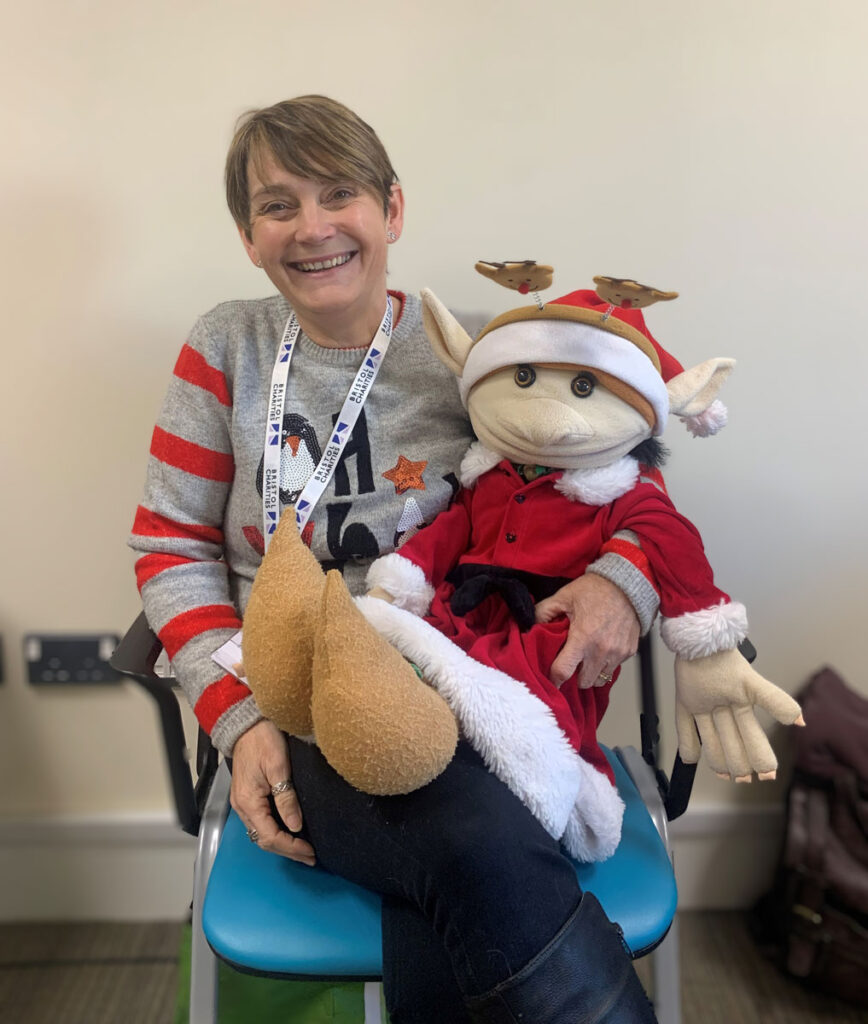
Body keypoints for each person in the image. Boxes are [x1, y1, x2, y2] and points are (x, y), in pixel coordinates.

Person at [130, 94, 658, 1022]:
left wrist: (624, 580)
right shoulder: (226, 347)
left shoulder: (484, 350)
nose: (313, 227)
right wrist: (239, 719)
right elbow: (170, 544)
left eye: (341, 194)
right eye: (277, 204)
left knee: (461, 836)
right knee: (466, 837)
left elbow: (621, 477)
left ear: (394, 210)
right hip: (301, 696)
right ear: (249, 236)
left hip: (473, 674)